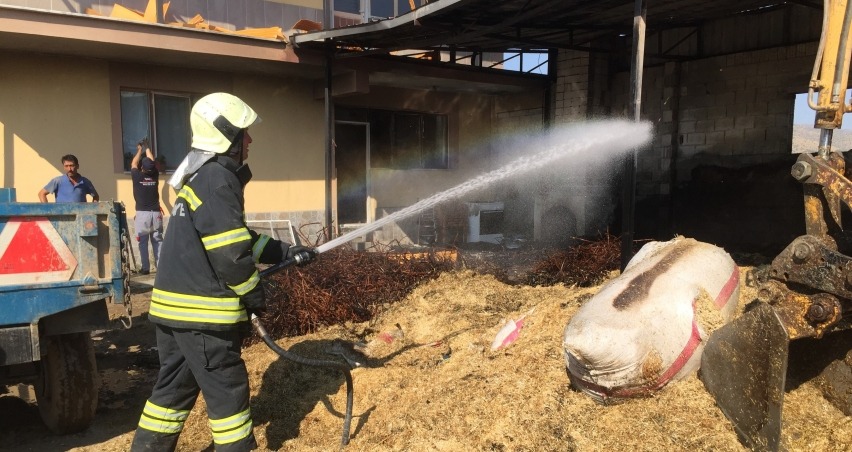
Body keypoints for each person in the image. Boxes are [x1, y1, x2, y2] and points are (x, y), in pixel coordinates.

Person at [130, 92, 317, 452]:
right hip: (202, 316)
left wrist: (286, 251)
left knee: (170, 395)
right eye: (243, 132)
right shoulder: (218, 179)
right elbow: (231, 255)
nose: (250, 140)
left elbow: (235, 238)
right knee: (228, 395)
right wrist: (254, 295)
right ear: (226, 134)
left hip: (175, 313)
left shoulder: (202, 177)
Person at [131, 139, 163, 275]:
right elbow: (151, 160)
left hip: (142, 214)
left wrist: (140, 150)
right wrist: (148, 147)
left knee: (143, 242)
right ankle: (161, 267)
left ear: (142, 168)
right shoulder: (155, 175)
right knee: (157, 240)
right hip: (156, 213)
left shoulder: (137, 176)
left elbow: (134, 163)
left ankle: (145, 269)